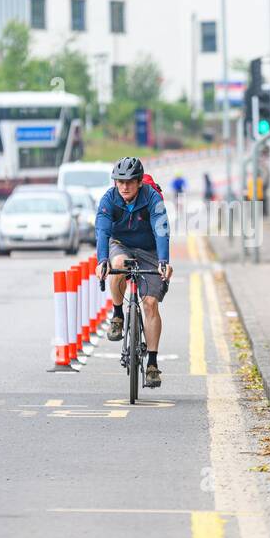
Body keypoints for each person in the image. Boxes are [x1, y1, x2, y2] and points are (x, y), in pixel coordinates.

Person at [94, 156, 172, 388]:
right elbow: (102, 230)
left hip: (150, 248)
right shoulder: (109, 199)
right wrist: (102, 260)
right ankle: (118, 314)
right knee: (118, 263)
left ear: (139, 182)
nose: (125, 186)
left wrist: (164, 261)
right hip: (122, 245)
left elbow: (161, 228)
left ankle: (152, 365)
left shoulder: (152, 197)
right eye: (120, 181)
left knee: (149, 304)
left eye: (130, 181)